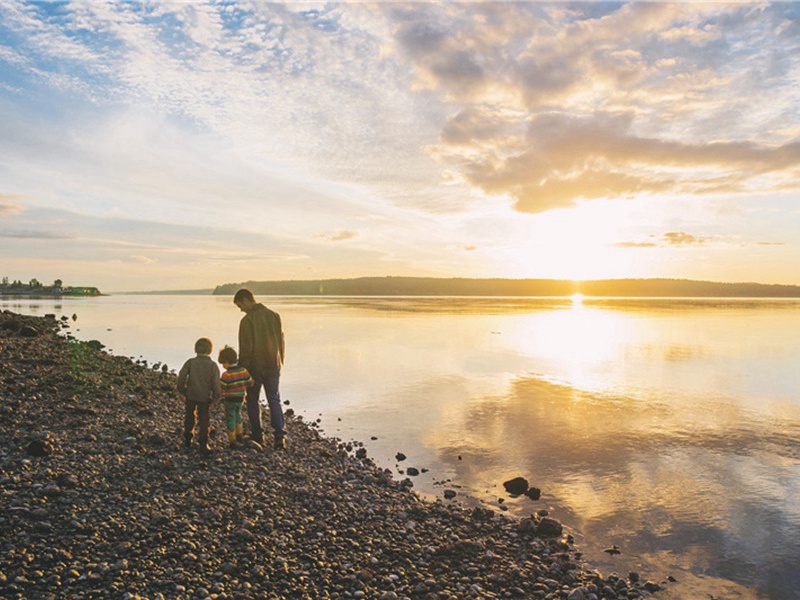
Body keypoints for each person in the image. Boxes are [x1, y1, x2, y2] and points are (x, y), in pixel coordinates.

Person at [233, 288, 286, 449]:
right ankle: (279, 437)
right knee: (274, 399)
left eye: (240, 305)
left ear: (247, 300)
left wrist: (241, 368)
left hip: (255, 367)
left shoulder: (247, 320)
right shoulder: (274, 316)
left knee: (252, 399)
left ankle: (258, 435)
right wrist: (280, 360)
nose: (240, 309)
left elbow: (246, 348)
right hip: (273, 364)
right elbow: (281, 341)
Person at [177, 337, 221, 456]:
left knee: (189, 417)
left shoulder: (190, 362)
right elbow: (216, 384)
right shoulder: (213, 366)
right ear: (210, 351)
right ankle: (203, 443)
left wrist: (183, 391)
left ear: (195, 349)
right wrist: (215, 399)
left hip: (190, 395)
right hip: (205, 397)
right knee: (204, 420)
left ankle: (187, 439)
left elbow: (181, 377)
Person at [218, 346, 254, 449]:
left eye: (223, 364)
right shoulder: (243, 370)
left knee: (230, 418)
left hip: (229, 400)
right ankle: (240, 435)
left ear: (227, 361)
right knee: (238, 416)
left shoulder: (226, 374)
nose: (223, 366)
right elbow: (250, 382)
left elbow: (222, 387)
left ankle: (232, 439)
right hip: (240, 399)